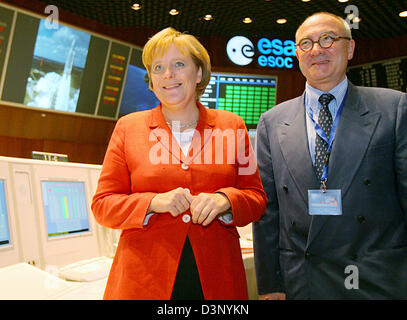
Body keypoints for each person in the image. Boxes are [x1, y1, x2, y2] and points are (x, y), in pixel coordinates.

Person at [91, 27, 267, 300]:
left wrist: (225, 201)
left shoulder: (231, 126)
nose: (168, 75)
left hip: (216, 278)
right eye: (158, 67)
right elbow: (103, 205)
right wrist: (152, 203)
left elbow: (256, 198)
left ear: (198, 74)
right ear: (150, 78)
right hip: (144, 279)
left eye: (179, 64)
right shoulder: (128, 128)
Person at [253, 12, 407, 299]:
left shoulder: (394, 109)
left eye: (328, 39)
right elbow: (268, 212)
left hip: (376, 279)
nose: (317, 50)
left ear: (349, 48)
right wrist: (270, 284)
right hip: (302, 278)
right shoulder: (272, 121)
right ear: (297, 54)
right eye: (306, 43)